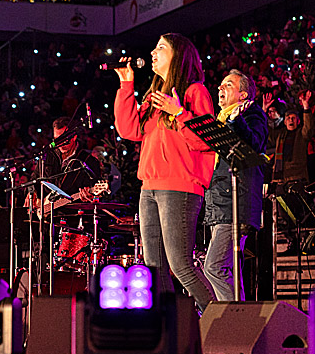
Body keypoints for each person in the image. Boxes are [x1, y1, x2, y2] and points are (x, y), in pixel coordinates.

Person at [113, 33, 217, 312]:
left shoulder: (195, 92)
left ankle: (222, 322)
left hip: (180, 187)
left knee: (180, 265)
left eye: (161, 47)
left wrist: (180, 112)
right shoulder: (153, 97)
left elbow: (206, 141)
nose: (153, 51)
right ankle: (168, 331)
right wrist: (126, 84)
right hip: (149, 187)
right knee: (154, 270)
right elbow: (129, 130)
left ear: (179, 56)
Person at [202, 69, 268, 301]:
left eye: (228, 85)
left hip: (236, 203)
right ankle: (239, 319)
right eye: (220, 84)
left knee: (214, 267)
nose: (220, 88)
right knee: (229, 269)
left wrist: (237, 120)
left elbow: (255, 144)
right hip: (220, 203)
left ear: (243, 95)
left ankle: (234, 317)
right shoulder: (218, 119)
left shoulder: (251, 113)